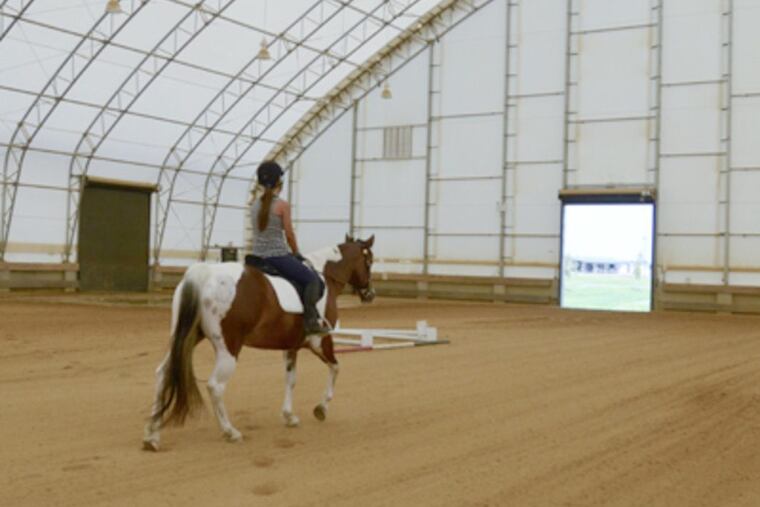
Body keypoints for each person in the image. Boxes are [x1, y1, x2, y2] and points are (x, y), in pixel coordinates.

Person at [250, 161, 330, 336]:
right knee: (311, 280)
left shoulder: (254, 205)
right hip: (277, 257)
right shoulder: (282, 205)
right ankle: (310, 321)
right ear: (279, 181)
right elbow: (290, 234)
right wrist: (296, 253)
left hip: (256, 257)